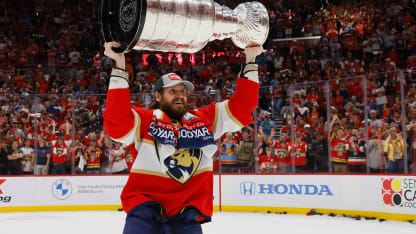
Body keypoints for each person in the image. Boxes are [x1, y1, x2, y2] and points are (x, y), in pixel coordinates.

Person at [103, 41, 262, 234]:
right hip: (146, 212)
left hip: (186, 216)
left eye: (182, 92)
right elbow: (116, 124)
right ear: (158, 97)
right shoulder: (146, 120)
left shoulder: (204, 119)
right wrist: (120, 66)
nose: (180, 96)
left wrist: (251, 59)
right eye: (172, 91)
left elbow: (243, 107)